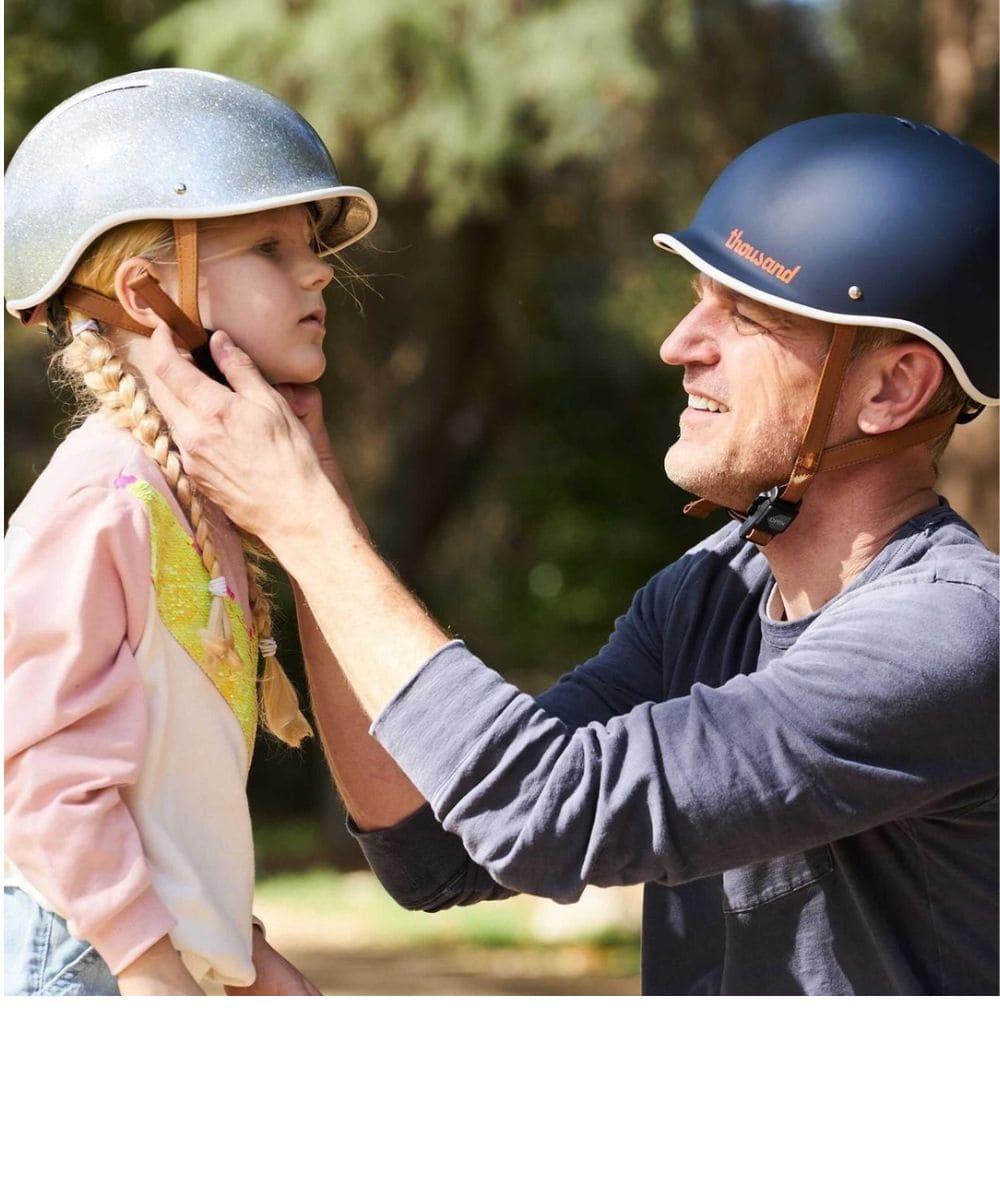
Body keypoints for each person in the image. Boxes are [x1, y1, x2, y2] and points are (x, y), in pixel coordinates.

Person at [145, 114, 998, 995]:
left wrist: (304, 521)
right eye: (699, 298)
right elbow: (432, 847)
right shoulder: (710, 593)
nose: (678, 344)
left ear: (892, 388)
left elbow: (545, 812)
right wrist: (310, 487)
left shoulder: (948, 638)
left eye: (743, 315)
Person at [3, 68, 377, 995]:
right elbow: (39, 770)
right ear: (143, 292)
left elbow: (170, 789)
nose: (318, 271)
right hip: (77, 959)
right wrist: (148, 967)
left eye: (310, 247)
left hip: (145, 951)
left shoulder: (188, 494)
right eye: (269, 248)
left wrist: (240, 952)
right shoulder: (104, 498)